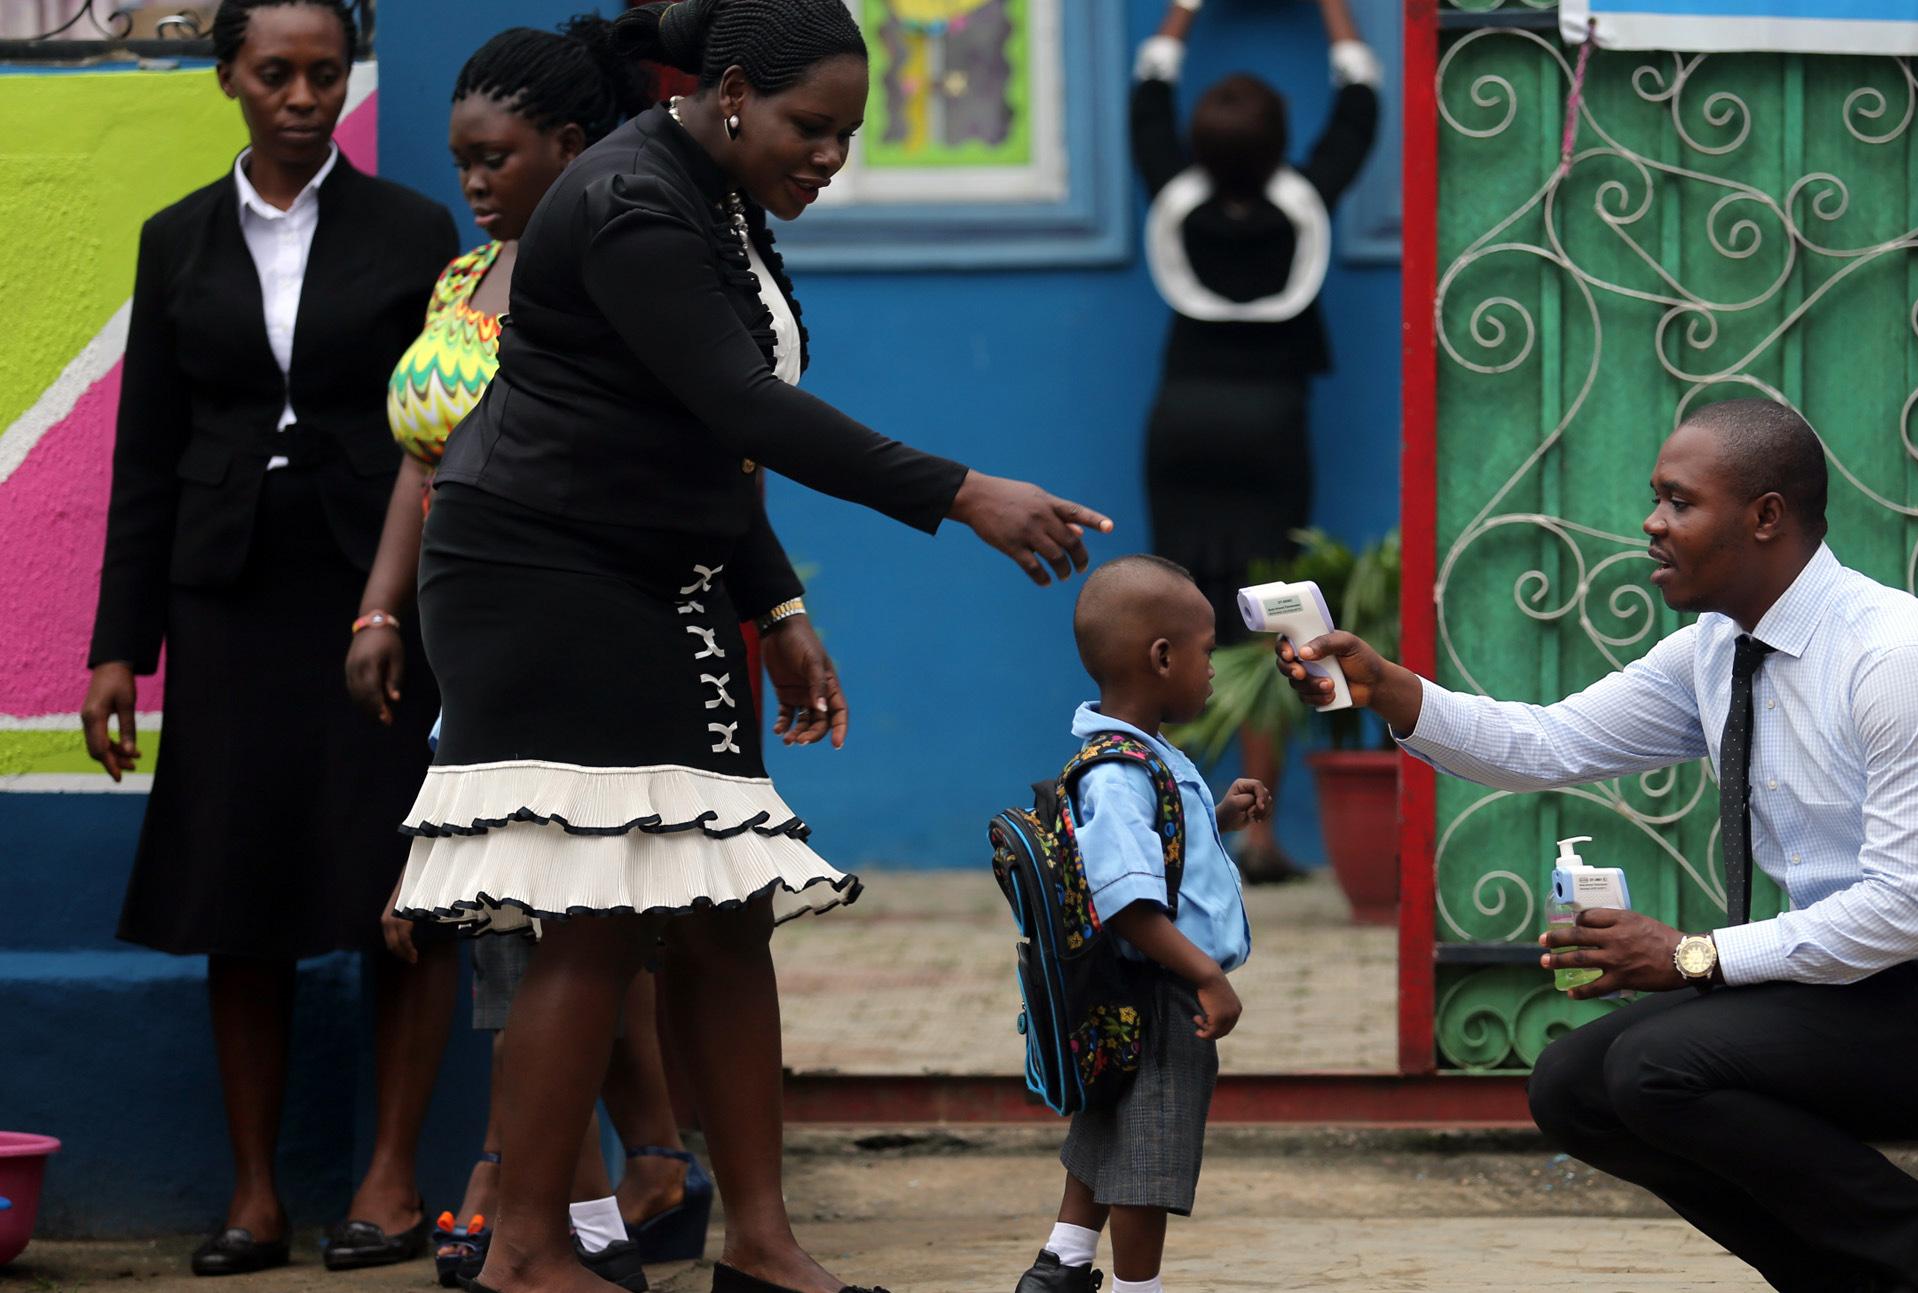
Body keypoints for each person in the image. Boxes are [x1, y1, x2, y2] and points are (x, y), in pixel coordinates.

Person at [387, 3, 1111, 1292]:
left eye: (846, 135)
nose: (829, 156)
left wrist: (773, 607)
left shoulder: (713, 195)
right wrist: (960, 491)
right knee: (592, 917)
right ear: (729, 94)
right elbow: (739, 405)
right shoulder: (628, 199)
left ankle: (762, 1248)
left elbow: (699, 440)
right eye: (810, 127)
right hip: (542, 573)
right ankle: (527, 1253)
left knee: (723, 914)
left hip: (656, 564)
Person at [1277, 399, 1918, 1293]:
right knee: (1571, 1084)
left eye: (1677, 502)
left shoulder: (1897, 660)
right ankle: (1850, 1278)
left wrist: (1691, 954)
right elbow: (1548, 741)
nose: (1651, 525)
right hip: (1863, 987)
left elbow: (1904, 911)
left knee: (1658, 1068)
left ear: (1764, 516)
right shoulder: (1715, 648)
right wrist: (1386, 687)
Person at [78, 0, 463, 1275]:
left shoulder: (411, 230)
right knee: (238, 883)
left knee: (397, 880)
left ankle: (391, 1181)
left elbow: (446, 428)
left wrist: (413, 602)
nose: (303, 96)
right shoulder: (177, 238)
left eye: (324, 71)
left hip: (377, 589)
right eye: (275, 73)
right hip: (228, 596)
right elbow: (147, 450)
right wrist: (116, 646)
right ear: (227, 77)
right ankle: (254, 1196)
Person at [340, 17, 710, 1287]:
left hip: (563, 617)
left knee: (554, 910)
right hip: (460, 623)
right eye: (459, 158)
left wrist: (765, 610)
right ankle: (618, 1187)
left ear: (567, 147)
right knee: (536, 909)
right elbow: (419, 460)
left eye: (495, 156)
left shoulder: (609, 274)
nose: (474, 180)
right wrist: (379, 611)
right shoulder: (459, 282)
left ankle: (538, 1195)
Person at [1131, 0, 1379, 882]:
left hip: (1183, 422)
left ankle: (1154, 831)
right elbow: (1359, 110)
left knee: (1168, 622)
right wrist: (1336, 13)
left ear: (1201, 150)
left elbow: (1148, 100)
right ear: (1279, 150)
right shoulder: (1302, 206)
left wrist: (1183, 12)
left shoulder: (1175, 199)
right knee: (1273, 626)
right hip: (1271, 425)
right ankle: (1259, 835)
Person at [1006, 556, 1267, 1293]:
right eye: (1208, 652)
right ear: (1162, 657)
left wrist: (1215, 815)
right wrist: (1206, 974)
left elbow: (1154, 857)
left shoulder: (1141, 757)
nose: (1214, 669)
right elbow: (1126, 899)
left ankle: (1060, 1263)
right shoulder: (1119, 772)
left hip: (1144, 981)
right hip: (1159, 988)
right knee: (1148, 1153)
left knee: (1110, 1123)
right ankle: (1135, 1287)